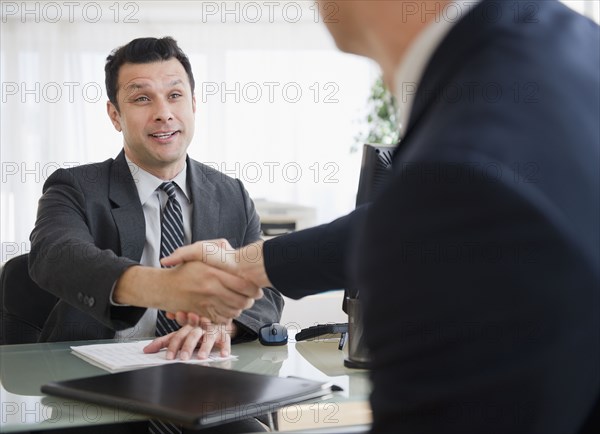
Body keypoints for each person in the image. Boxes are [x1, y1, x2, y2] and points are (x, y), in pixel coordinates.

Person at [162, 1, 600, 433]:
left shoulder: (463, 171)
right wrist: (250, 264)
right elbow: (427, 214)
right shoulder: (558, 36)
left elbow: (449, 206)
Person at [29, 37, 283, 433]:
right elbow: (54, 254)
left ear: (194, 105)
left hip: (203, 389)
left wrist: (222, 324)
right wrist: (164, 289)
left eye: (175, 95)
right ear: (115, 115)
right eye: (142, 99)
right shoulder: (75, 187)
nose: (164, 114)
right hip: (97, 395)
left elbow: (266, 293)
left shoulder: (231, 193)